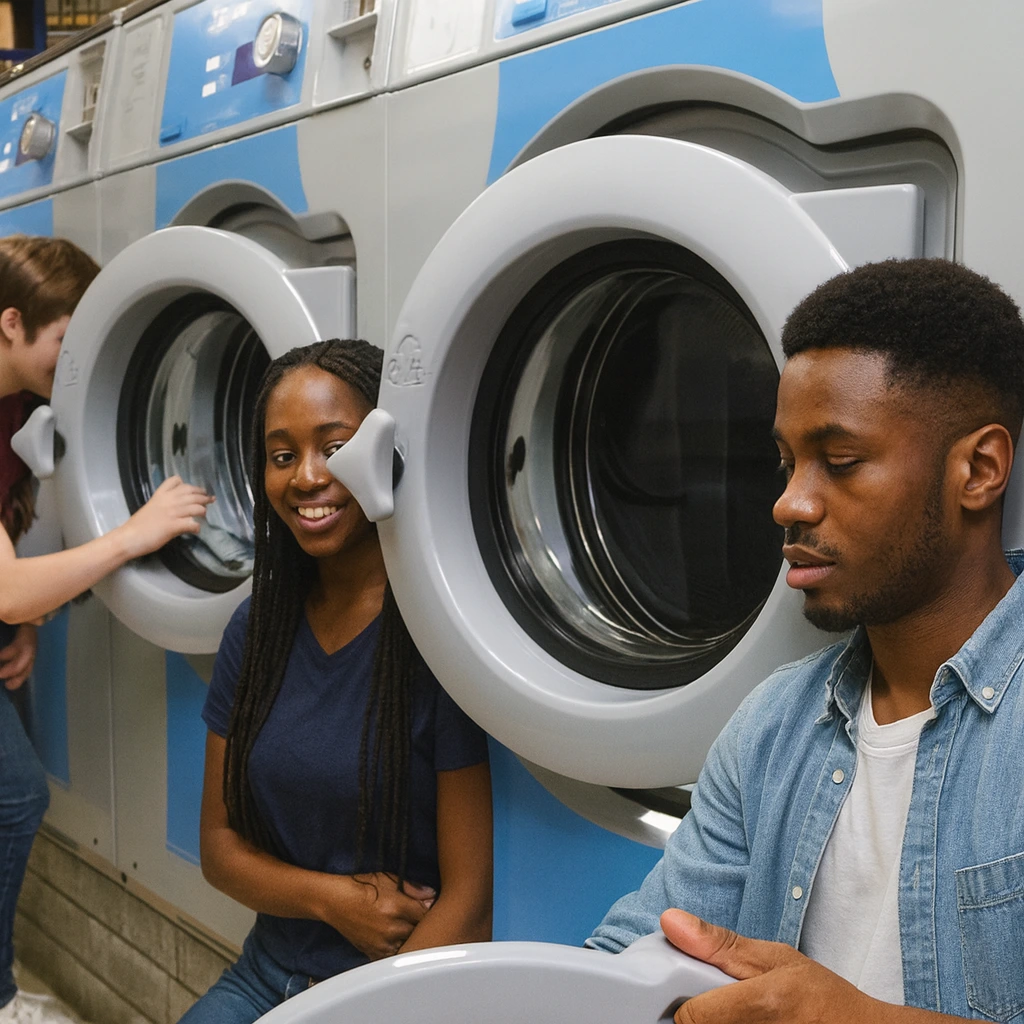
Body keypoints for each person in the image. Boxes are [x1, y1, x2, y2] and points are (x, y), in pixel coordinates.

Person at [587, 258, 1024, 1024]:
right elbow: (633, 959)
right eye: (786, 464)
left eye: (841, 462)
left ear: (979, 469)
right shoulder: (773, 725)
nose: (790, 502)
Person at [181, 339, 492, 1023]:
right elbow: (219, 850)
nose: (306, 478)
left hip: (391, 986)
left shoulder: (433, 640)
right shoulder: (255, 632)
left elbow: (468, 906)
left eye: (335, 447)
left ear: (382, 452)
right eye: (283, 455)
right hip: (266, 970)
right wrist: (335, 900)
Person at [0, 234, 214, 1024]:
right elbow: (8, 587)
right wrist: (137, 532)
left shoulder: (21, 402)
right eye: (65, 338)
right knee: (16, 798)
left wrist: (20, 625)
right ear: (11, 323)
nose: (75, 357)